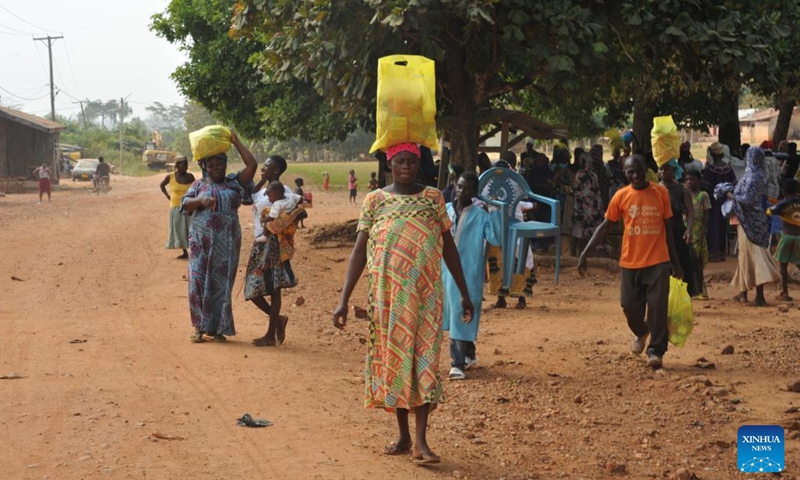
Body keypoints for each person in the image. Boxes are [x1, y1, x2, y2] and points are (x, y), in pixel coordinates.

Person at [332, 142, 473, 465]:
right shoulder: (374, 201)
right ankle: (403, 434)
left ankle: (421, 442)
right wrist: (343, 300)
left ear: (420, 165)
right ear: (390, 165)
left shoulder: (433, 199)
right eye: (400, 161)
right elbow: (359, 251)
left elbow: (448, 248)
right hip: (387, 299)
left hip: (425, 298)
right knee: (395, 361)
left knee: (423, 360)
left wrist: (464, 293)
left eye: (412, 161)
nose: (406, 166)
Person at [578, 155, 682, 369]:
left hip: (658, 261)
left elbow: (668, 229)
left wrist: (676, 262)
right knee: (629, 308)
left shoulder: (661, 193)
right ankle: (642, 331)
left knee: (657, 308)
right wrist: (584, 253)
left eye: (638, 170)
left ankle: (656, 352)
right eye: (630, 172)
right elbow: (605, 226)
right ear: (624, 173)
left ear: (646, 169)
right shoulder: (621, 196)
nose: (635, 175)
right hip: (630, 262)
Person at [181, 131, 257, 343]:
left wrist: (236, 141)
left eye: (219, 165)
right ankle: (198, 326)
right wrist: (201, 200)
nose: (215, 169)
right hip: (200, 241)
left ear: (225, 165)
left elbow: (252, 165)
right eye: (211, 166)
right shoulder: (198, 186)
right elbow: (185, 205)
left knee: (222, 283)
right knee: (197, 280)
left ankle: (217, 328)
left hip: (227, 241)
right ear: (204, 167)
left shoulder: (234, 182)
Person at [443, 172, 500, 381]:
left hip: (469, 272)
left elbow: (495, 238)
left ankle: (457, 364)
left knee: (462, 312)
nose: (461, 191)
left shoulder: (481, 215)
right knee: (452, 313)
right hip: (446, 272)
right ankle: (468, 353)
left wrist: (494, 212)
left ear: (474, 192)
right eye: (459, 187)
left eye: (467, 188)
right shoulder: (446, 211)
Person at [245, 155, 304, 347]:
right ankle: (278, 320)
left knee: (274, 287)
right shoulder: (263, 191)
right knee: (252, 290)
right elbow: (247, 198)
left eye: (267, 166)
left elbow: (302, 211)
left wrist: (280, 224)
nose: (263, 168)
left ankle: (270, 334)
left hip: (274, 243)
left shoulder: (284, 191)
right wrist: (262, 178)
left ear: (277, 170)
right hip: (259, 242)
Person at [730, 148, 781, 306]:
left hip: (748, 222)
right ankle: (746, 293)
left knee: (749, 256)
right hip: (759, 220)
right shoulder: (761, 175)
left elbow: (746, 199)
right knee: (754, 255)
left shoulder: (751, 176)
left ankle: (750, 296)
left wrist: (729, 195)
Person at [486, 152, 536, 309]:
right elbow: (522, 203)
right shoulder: (515, 182)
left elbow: (483, 201)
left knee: (500, 260)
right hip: (509, 228)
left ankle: (508, 298)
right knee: (517, 260)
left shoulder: (490, 183)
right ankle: (517, 298)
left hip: (499, 229)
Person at [658, 159, 697, 296]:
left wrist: (689, 230)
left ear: (674, 171)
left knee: (681, 261)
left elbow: (690, 211)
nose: (663, 172)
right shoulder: (655, 188)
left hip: (677, 229)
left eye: (667, 169)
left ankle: (684, 296)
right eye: (661, 169)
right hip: (659, 231)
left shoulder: (682, 189)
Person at [702, 142, 737, 262]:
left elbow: (705, 186)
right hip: (725, 202)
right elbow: (734, 184)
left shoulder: (709, 170)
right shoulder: (728, 168)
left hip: (712, 202)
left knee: (712, 227)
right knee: (722, 226)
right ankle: (722, 253)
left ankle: (713, 253)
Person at [769, 179, 800, 301]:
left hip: (786, 236)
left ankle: (784, 292)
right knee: (798, 263)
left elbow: (771, 211)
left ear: (784, 191)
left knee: (783, 265)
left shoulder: (784, 202)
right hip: (798, 236)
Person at [159, 157, 195, 259]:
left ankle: (193, 251)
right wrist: (168, 196)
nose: (185, 167)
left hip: (189, 205)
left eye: (186, 165)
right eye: (183, 165)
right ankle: (184, 251)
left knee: (191, 228)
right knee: (179, 228)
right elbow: (161, 185)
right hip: (175, 206)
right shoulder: (170, 177)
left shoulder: (190, 177)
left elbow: (196, 188)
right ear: (177, 166)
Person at [571, 152, 606, 257]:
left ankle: (574, 255)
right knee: (591, 232)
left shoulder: (579, 175)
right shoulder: (594, 175)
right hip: (593, 209)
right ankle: (588, 255)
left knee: (576, 234)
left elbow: (576, 191)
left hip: (581, 208)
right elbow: (597, 191)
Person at [685, 170, 711, 300]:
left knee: (698, 263)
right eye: (687, 179)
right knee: (687, 263)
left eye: (693, 179)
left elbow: (707, 217)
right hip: (686, 232)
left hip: (698, 233)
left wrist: (702, 233)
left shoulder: (703, 196)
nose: (690, 182)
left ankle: (700, 290)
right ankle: (690, 290)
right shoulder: (684, 194)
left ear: (699, 181)